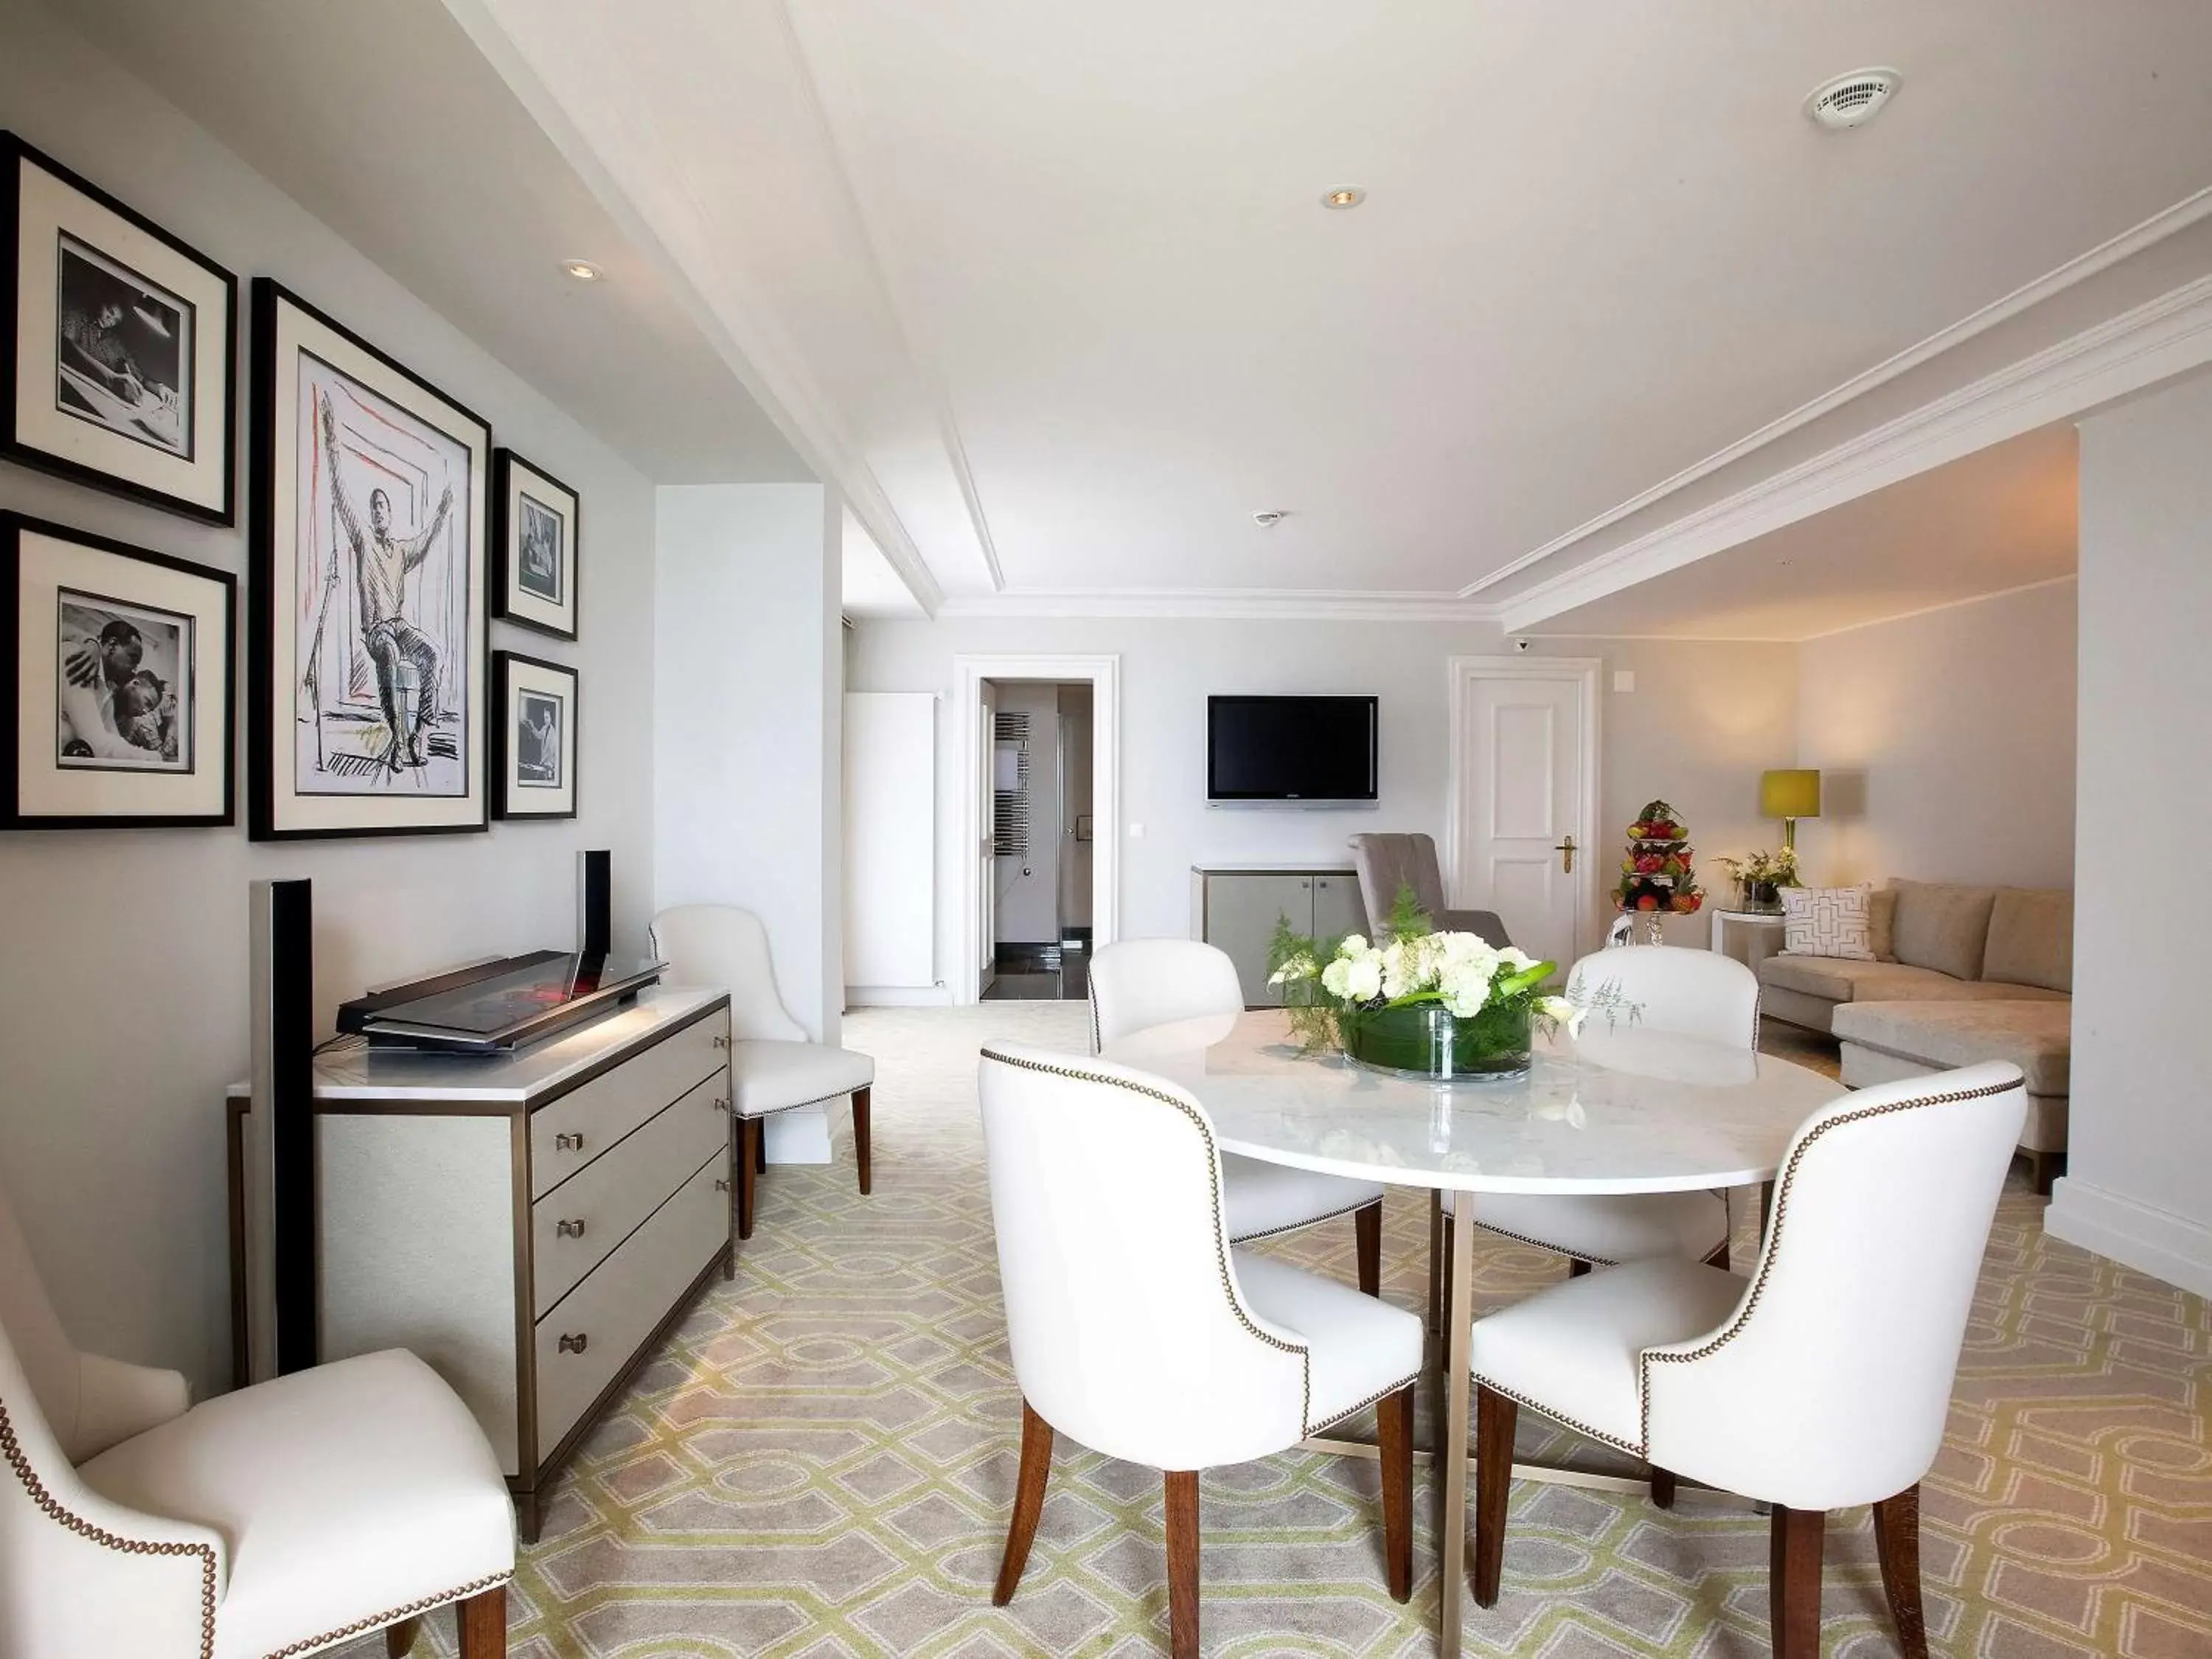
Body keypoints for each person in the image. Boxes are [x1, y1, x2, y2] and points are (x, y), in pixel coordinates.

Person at [319, 390, 453, 771]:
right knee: (390, 656)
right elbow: (340, 491)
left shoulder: (400, 550)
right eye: (374, 505)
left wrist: (442, 513)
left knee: (433, 654)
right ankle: (396, 738)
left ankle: (421, 731)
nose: (378, 510)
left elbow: (426, 542)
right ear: (369, 513)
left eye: (383, 506)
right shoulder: (362, 539)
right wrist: (331, 437)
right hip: (377, 631)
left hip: (399, 625)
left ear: (389, 513)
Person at [58, 616, 155, 762]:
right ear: (112, 645)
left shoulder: (105, 689)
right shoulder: (78, 656)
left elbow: (113, 740)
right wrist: (156, 758)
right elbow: (98, 745)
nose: (134, 670)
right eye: (132, 658)